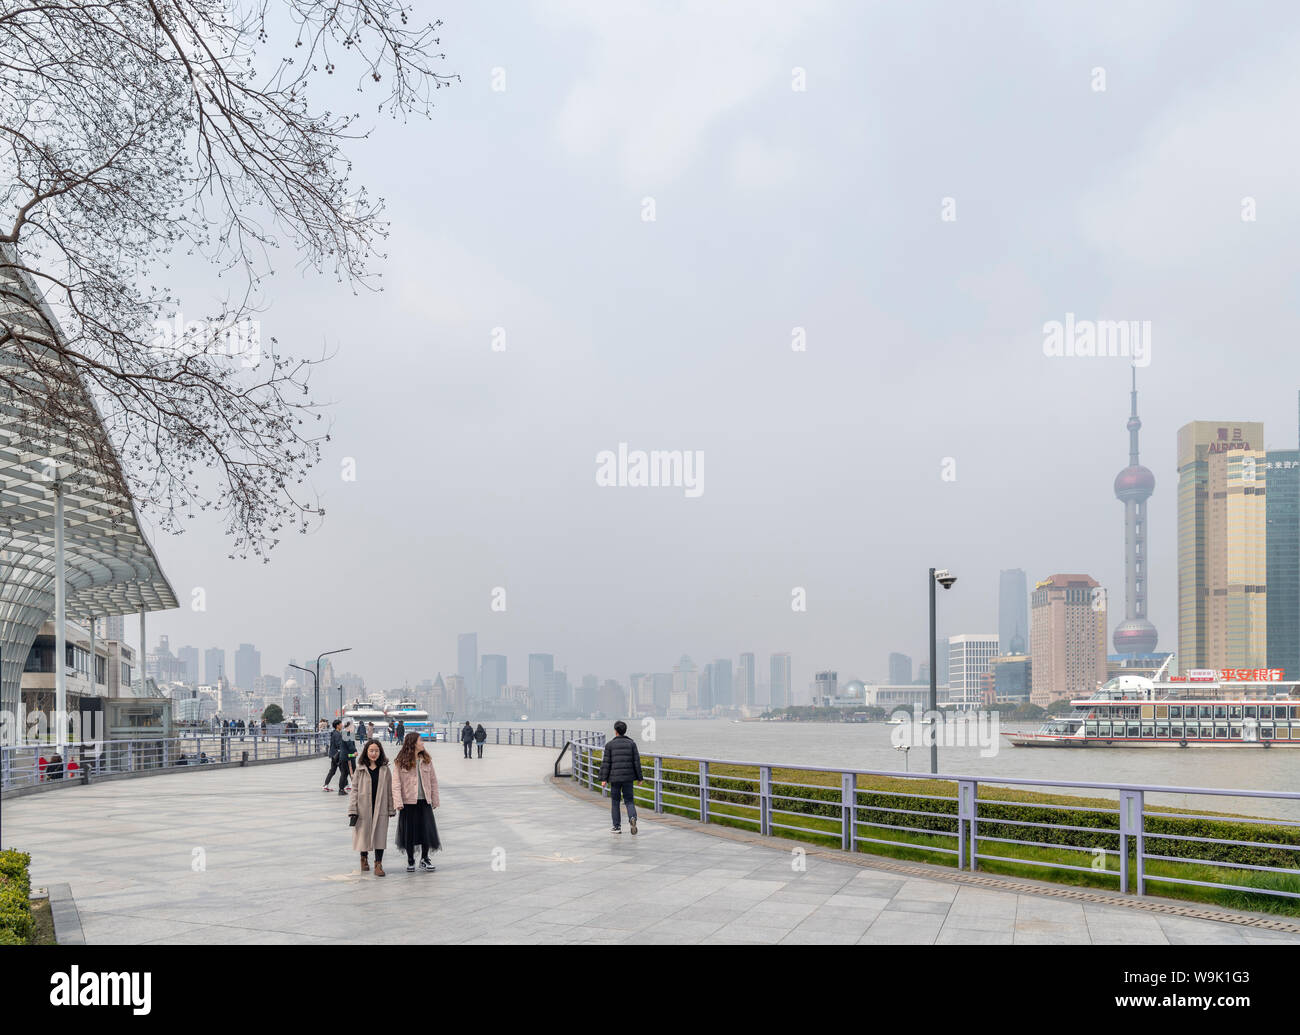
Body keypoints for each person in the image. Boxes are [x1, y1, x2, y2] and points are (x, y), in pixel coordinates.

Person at [391, 732, 441, 872]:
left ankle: (425, 859)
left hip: (424, 801)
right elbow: (396, 784)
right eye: (421, 740)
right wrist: (398, 802)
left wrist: (435, 799)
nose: (423, 742)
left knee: (427, 830)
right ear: (413, 743)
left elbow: (433, 781)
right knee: (409, 832)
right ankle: (410, 860)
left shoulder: (426, 760)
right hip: (408, 802)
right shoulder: (401, 761)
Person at [348, 739, 395, 876]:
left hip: (380, 807)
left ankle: (378, 864)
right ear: (366, 752)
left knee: (380, 836)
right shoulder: (360, 769)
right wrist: (352, 809)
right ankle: (364, 858)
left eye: (376, 751)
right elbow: (354, 790)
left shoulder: (385, 770)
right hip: (363, 807)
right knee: (364, 834)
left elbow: (389, 790)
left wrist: (391, 808)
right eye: (371, 750)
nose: (374, 753)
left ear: (380, 752)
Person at [598, 720, 644, 835]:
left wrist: (604, 779)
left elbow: (606, 763)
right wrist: (640, 778)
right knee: (629, 800)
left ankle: (617, 827)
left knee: (615, 802)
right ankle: (632, 817)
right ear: (625, 731)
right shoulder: (632, 744)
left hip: (615, 779)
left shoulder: (609, 745)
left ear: (615, 731)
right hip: (628, 778)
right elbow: (636, 762)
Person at [323, 719, 345, 792]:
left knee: (333, 771)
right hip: (337, 755)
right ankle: (344, 786)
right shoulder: (337, 734)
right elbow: (339, 745)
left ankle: (325, 785)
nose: (342, 725)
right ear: (337, 725)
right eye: (341, 724)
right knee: (343, 771)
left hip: (333, 754)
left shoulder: (334, 733)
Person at [338, 721, 357, 794]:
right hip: (347, 757)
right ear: (348, 727)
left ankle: (342, 789)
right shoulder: (347, 734)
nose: (354, 728)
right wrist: (355, 752)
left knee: (344, 773)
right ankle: (343, 789)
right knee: (349, 773)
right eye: (352, 726)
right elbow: (350, 746)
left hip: (345, 756)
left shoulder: (344, 733)